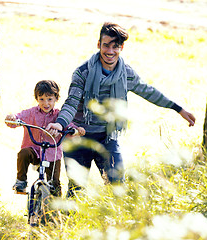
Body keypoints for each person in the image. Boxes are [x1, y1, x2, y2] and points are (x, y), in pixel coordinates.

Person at [46, 22, 196, 197]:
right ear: (98, 45)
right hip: (78, 136)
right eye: (106, 45)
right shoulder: (83, 72)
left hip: (107, 136)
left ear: (121, 47)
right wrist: (59, 124)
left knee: (117, 186)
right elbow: (71, 102)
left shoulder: (126, 73)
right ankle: (64, 221)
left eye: (115, 46)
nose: (110, 51)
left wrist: (178, 109)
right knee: (77, 190)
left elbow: (148, 91)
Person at [5, 80, 85, 196]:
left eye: (49, 99)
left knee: (55, 185)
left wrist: (77, 130)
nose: (45, 103)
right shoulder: (31, 113)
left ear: (56, 99)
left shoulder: (59, 115)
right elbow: (18, 117)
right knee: (23, 153)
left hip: (52, 154)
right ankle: (21, 182)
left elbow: (69, 127)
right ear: (37, 99)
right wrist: (12, 118)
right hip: (34, 151)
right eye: (41, 99)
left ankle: (55, 210)